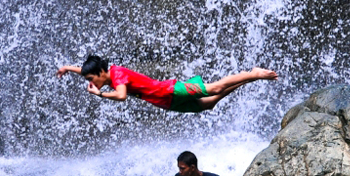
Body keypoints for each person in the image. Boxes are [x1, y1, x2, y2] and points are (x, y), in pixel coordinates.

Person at [56, 55, 277, 112]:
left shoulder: (118, 76)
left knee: (215, 88)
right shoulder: (105, 72)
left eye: (91, 79)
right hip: (165, 101)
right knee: (209, 104)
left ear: (100, 73)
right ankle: (246, 80)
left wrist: (100, 95)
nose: (91, 83)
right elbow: (87, 71)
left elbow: (122, 95)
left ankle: (253, 74)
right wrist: (68, 68)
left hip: (171, 90)